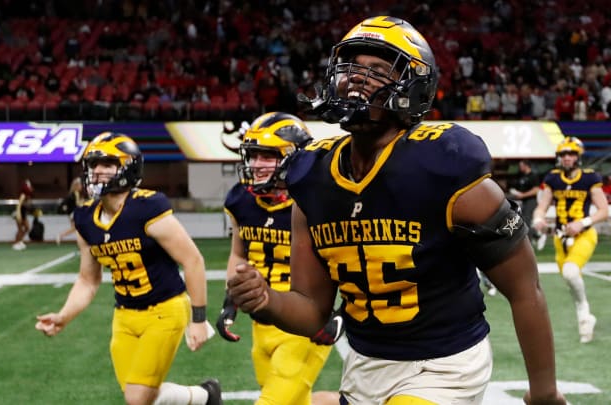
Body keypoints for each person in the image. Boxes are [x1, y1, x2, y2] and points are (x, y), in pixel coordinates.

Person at [227, 16, 565, 405]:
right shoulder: (313, 178)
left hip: (444, 365)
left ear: (413, 86)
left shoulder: (443, 165)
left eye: (377, 69)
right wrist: (267, 301)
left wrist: (544, 392)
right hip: (365, 364)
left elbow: (525, 289)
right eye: (350, 66)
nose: (356, 77)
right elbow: (312, 311)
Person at [35, 132, 222, 405]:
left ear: (128, 167)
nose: (97, 171)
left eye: (107, 164)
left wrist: (198, 318)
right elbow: (88, 280)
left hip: (164, 310)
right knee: (140, 396)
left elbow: (193, 260)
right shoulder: (85, 218)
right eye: (93, 165)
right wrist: (64, 316)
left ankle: (206, 397)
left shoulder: (147, 207)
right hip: (123, 316)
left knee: (137, 398)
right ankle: (206, 397)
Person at [217, 112, 339, 405]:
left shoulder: (317, 203)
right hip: (263, 321)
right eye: (253, 156)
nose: (255, 165)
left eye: (266, 156)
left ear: (293, 158)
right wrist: (230, 300)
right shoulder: (241, 200)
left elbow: (352, 261)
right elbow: (239, 252)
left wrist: (342, 313)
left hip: (306, 323)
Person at [532, 136, 608, 344]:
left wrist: (582, 223)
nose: (567, 157)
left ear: (578, 156)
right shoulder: (553, 178)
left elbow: (603, 211)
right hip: (560, 238)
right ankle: (585, 318)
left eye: (571, 153)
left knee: (571, 272)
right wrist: (538, 218)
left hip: (584, 235)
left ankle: (584, 316)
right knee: (571, 281)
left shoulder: (589, 177)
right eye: (564, 153)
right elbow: (542, 205)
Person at [508, 159, 543, 248]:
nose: (520, 168)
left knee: (527, 221)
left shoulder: (533, 176)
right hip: (524, 201)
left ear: (526, 166)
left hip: (531, 201)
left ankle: (530, 242)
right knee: (523, 220)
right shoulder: (522, 176)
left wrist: (523, 195)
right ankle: (537, 235)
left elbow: (536, 190)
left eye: (521, 166)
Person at [55, 177, 83, 245]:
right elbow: (77, 204)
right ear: (76, 185)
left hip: (72, 213)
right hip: (74, 213)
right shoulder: (75, 193)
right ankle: (60, 235)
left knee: (77, 228)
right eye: (80, 185)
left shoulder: (72, 193)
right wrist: (84, 203)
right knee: (76, 228)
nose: (81, 186)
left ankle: (80, 242)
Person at [12, 179, 33, 250]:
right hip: (19, 214)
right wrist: (19, 215)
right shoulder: (23, 195)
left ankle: (20, 241)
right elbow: (18, 206)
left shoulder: (27, 196)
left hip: (23, 214)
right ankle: (16, 243)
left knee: (27, 228)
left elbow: (27, 206)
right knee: (20, 229)